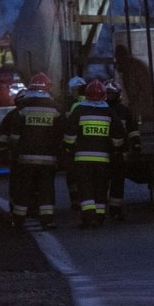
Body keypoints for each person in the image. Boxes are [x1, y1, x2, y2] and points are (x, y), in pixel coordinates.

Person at [63, 80, 126, 229]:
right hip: (103, 160)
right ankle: (99, 216)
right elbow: (118, 135)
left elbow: (70, 134)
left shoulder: (78, 111)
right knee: (101, 188)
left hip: (82, 159)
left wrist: (68, 148)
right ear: (104, 96)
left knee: (85, 188)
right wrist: (117, 149)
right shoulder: (109, 112)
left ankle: (88, 219)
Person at [7, 73, 65, 229]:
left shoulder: (22, 109)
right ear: (48, 88)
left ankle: (18, 220)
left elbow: (14, 136)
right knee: (46, 189)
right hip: (48, 159)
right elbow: (62, 134)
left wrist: (14, 153)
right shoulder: (56, 108)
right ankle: (47, 220)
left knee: (24, 189)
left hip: (25, 159)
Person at [105, 79, 139, 220]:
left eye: (110, 93)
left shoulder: (121, 111)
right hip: (113, 153)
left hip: (113, 153)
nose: (108, 96)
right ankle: (113, 211)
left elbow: (132, 130)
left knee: (115, 183)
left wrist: (136, 144)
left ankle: (113, 210)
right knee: (114, 183)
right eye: (107, 93)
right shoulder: (108, 110)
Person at [62, 75, 87, 210]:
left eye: (78, 89)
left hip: (77, 145)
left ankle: (78, 199)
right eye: (74, 89)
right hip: (81, 144)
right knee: (75, 175)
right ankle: (78, 199)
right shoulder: (69, 104)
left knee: (77, 174)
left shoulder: (72, 105)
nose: (76, 92)